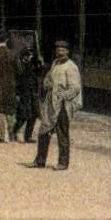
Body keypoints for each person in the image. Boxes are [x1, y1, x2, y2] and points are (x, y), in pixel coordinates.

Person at [30, 40, 83, 170]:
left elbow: (75, 88)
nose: (60, 52)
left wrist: (62, 96)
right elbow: (48, 79)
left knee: (62, 133)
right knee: (43, 131)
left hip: (64, 105)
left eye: (63, 50)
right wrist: (46, 84)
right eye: (58, 50)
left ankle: (63, 163)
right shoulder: (55, 63)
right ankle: (40, 161)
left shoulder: (71, 67)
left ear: (68, 52)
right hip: (51, 103)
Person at [11, 38, 41, 142]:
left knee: (33, 115)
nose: (30, 57)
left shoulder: (33, 66)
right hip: (23, 94)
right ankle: (13, 132)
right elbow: (16, 81)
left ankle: (28, 136)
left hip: (33, 94)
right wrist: (17, 94)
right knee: (22, 116)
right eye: (28, 55)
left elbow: (39, 73)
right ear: (24, 56)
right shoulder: (20, 66)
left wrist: (40, 63)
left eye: (31, 55)